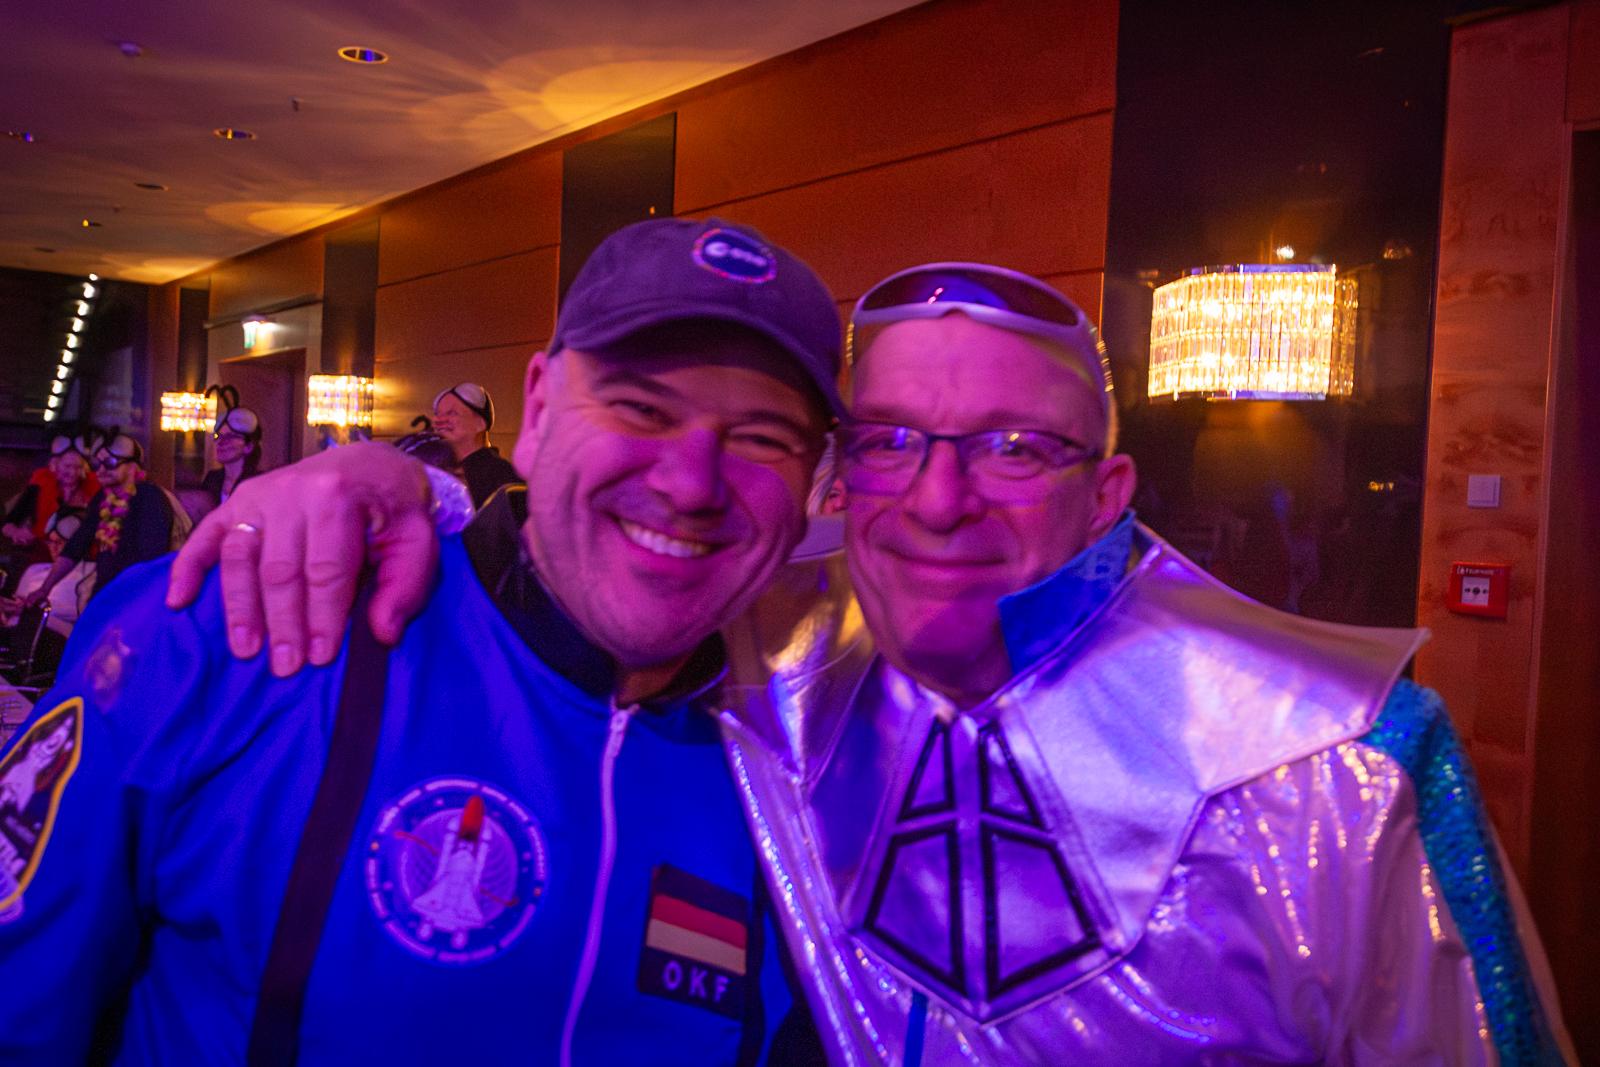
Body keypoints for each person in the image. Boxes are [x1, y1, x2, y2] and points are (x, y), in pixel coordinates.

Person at [178, 260, 1573, 1065]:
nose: (940, 499)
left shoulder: (1337, 758)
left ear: (1110, 492)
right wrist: (383, 483)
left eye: (1016, 447)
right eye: (892, 439)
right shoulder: (770, 639)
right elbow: (605, 544)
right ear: (842, 476)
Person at [0, 217, 844, 1065]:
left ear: (817, 474)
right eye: (641, 407)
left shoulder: (817, 758)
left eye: (763, 437)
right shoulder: (239, 622)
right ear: (539, 408)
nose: (692, 483)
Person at [29, 433, 175, 608]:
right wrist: (44, 589)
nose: (101, 470)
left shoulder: (149, 496)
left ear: (132, 467)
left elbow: (152, 560)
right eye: (97, 464)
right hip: (105, 595)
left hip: (136, 599)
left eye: (110, 463)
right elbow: (76, 545)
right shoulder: (102, 498)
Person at [1, 434, 99, 560]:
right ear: (55, 465)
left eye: (78, 467)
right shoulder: (39, 486)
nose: (73, 472)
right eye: (67, 466)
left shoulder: (95, 487)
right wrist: (17, 533)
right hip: (43, 555)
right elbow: (9, 523)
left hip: (83, 557)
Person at [433, 381, 521, 508]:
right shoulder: (436, 471)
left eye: (452, 413)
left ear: (480, 424)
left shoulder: (502, 476)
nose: (438, 420)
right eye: (437, 414)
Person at [6, 512, 95, 636]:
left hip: (57, 632)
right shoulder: (35, 570)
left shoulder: (91, 571)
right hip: (18, 626)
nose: (53, 548)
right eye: (50, 542)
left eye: (59, 542)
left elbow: (87, 612)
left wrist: (37, 609)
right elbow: (18, 601)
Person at [199, 387, 266, 510]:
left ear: (248, 446)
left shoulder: (258, 482)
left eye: (230, 437)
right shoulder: (212, 479)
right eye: (219, 436)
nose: (221, 442)